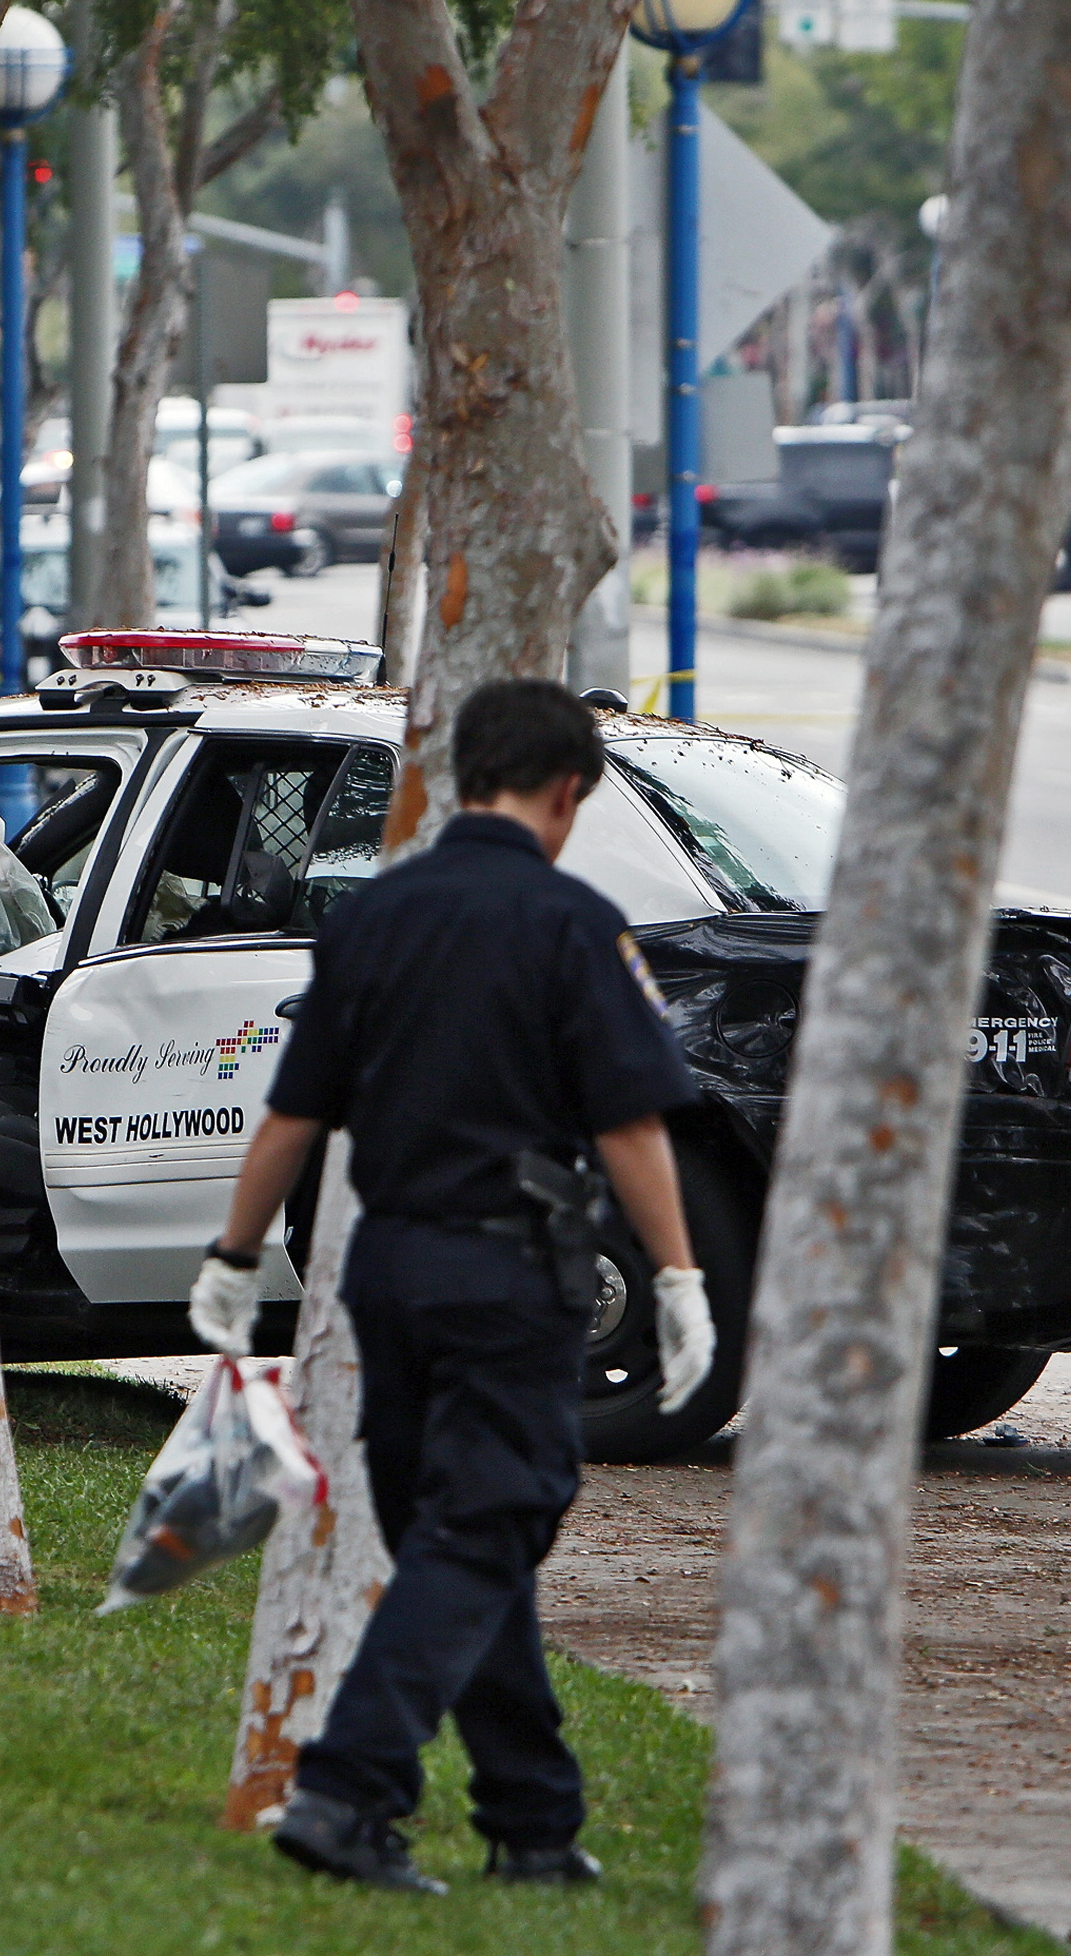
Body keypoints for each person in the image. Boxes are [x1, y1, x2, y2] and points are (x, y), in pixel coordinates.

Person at [189, 677, 716, 1897]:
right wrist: (681, 1278)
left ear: (467, 773)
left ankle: (533, 1821)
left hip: (387, 1271)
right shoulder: (574, 923)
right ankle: (347, 1793)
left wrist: (233, 1255)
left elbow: (294, 1111)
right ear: (569, 790)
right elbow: (630, 1123)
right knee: (487, 1523)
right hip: (505, 1274)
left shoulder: (375, 916)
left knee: (460, 1536)